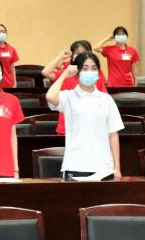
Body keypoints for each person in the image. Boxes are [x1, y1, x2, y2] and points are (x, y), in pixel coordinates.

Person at [45, 53, 124, 181]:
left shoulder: (106, 99)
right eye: (85, 68)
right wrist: (65, 74)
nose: (89, 72)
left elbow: (113, 135)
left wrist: (117, 168)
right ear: (77, 72)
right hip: (75, 165)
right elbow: (50, 97)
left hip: (103, 167)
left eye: (94, 68)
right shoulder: (68, 96)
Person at [45, 41, 107, 136]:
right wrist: (61, 57)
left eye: (84, 52)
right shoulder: (66, 72)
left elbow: (104, 100)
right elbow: (46, 72)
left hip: (90, 126)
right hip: (67, 127)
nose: (81, 55)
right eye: (77, 53)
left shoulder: (93, 75)